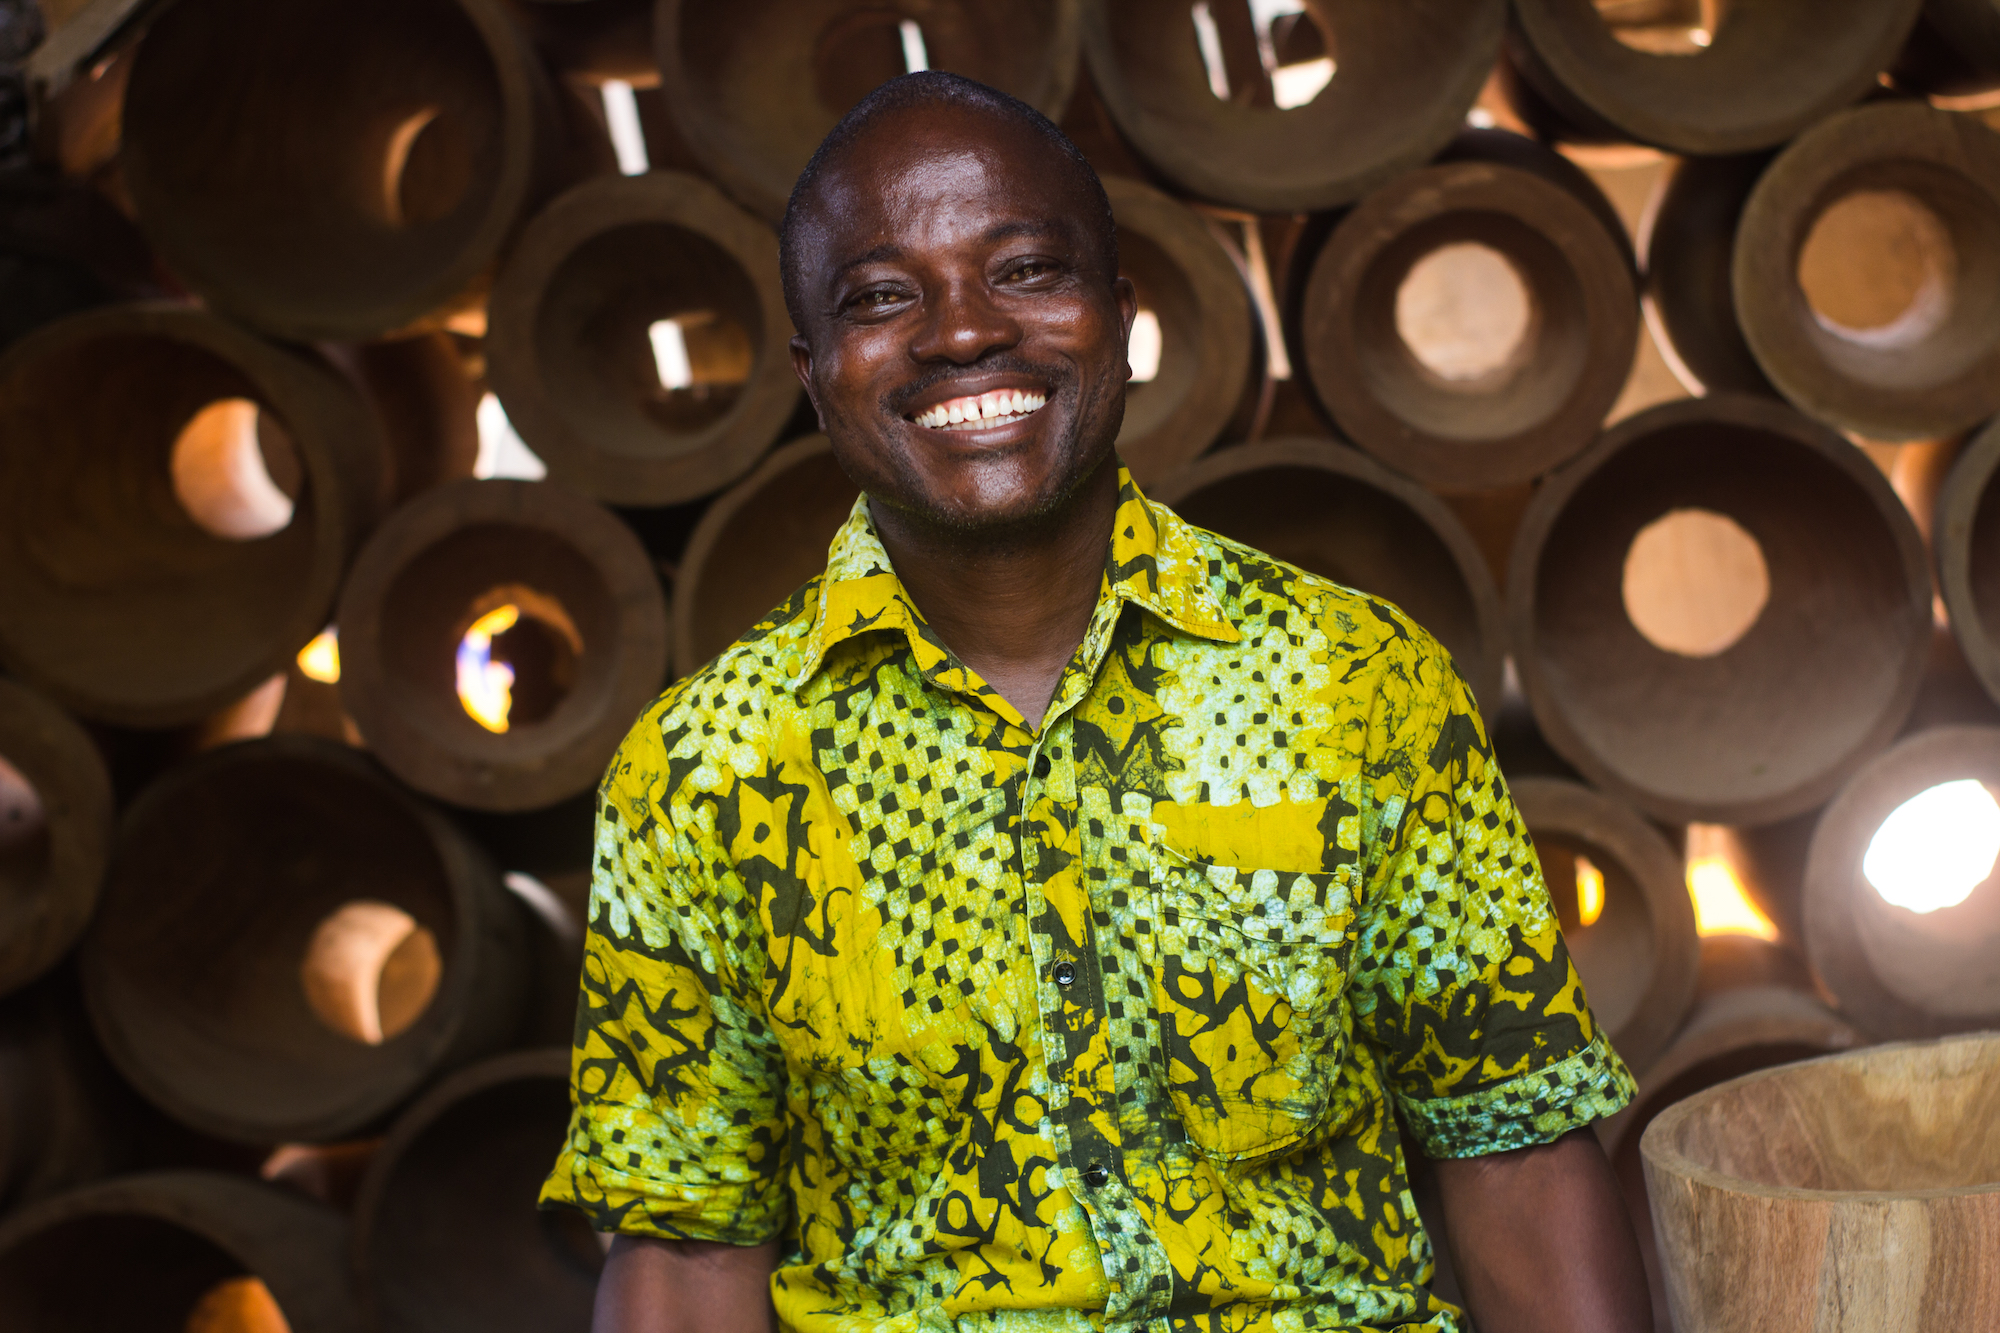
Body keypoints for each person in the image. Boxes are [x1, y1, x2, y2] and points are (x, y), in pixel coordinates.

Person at [541, 70, 1652, 1333]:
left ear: (1120, 316)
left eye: (1022, 271)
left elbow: (1510, 1151)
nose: (961, 332)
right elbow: (686, 1255)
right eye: (882, 295)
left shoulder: (1353, 683)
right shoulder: (702, 770)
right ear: (814, 373)